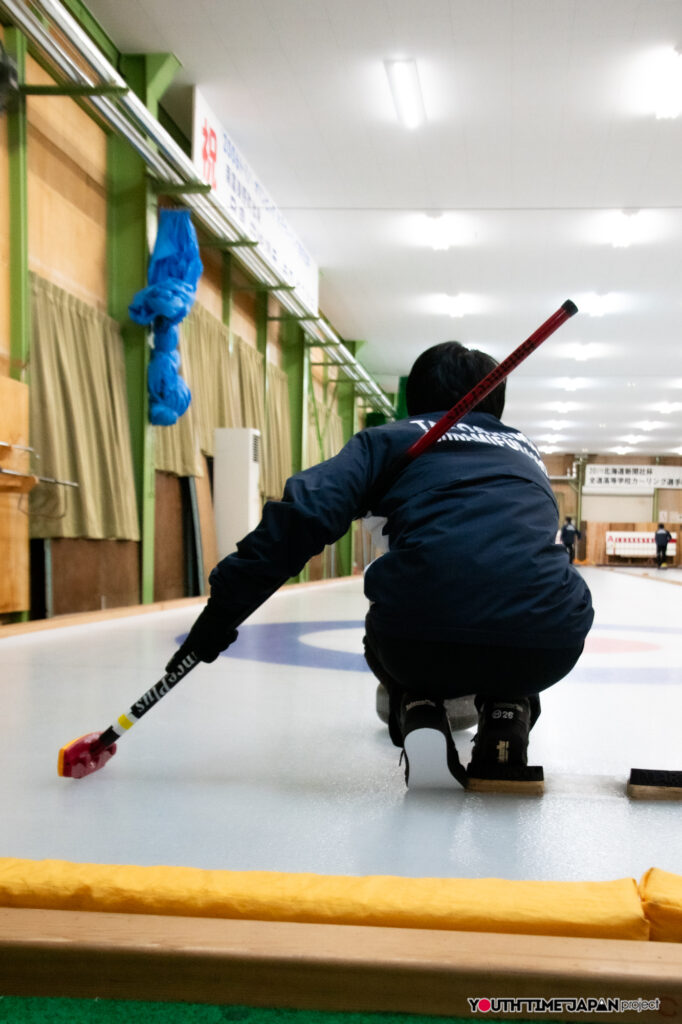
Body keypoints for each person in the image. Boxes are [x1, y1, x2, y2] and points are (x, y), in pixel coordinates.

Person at [167, 341, 594, 789]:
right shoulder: (526, 452)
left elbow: (303, 517)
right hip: (547, 646)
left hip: (418, 643)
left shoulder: (390, 440)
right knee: (524, 595)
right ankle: (510, 711)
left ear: (416, 397)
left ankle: (419, 708)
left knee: (397, 592)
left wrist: (222, 614)